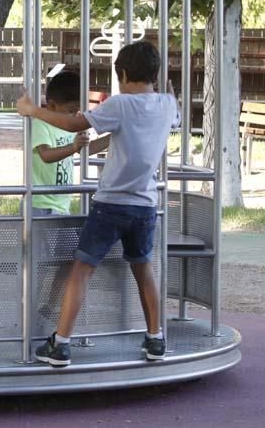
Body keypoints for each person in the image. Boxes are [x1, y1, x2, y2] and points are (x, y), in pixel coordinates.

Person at [16, 41, 179, 367]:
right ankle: (155, 337)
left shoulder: (120, 104)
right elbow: (160, 122)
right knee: (144, 268)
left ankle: (61, 343)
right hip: (146, 204)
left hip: (111, 204)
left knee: (81, 269)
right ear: (156, 74)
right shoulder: (166, 104)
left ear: (123, 74)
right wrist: (169, 92)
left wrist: (33, 111)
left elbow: (77, 123)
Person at [30, 70, 108, 217]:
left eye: (77, 111)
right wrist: (73, 147)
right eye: (71, 111)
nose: (75, 116)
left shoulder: (67, 125)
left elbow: (85, 149)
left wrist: (112, 139)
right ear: (52, 106)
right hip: (41, 203)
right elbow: (46, 155)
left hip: (61, 203)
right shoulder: (40, 124)